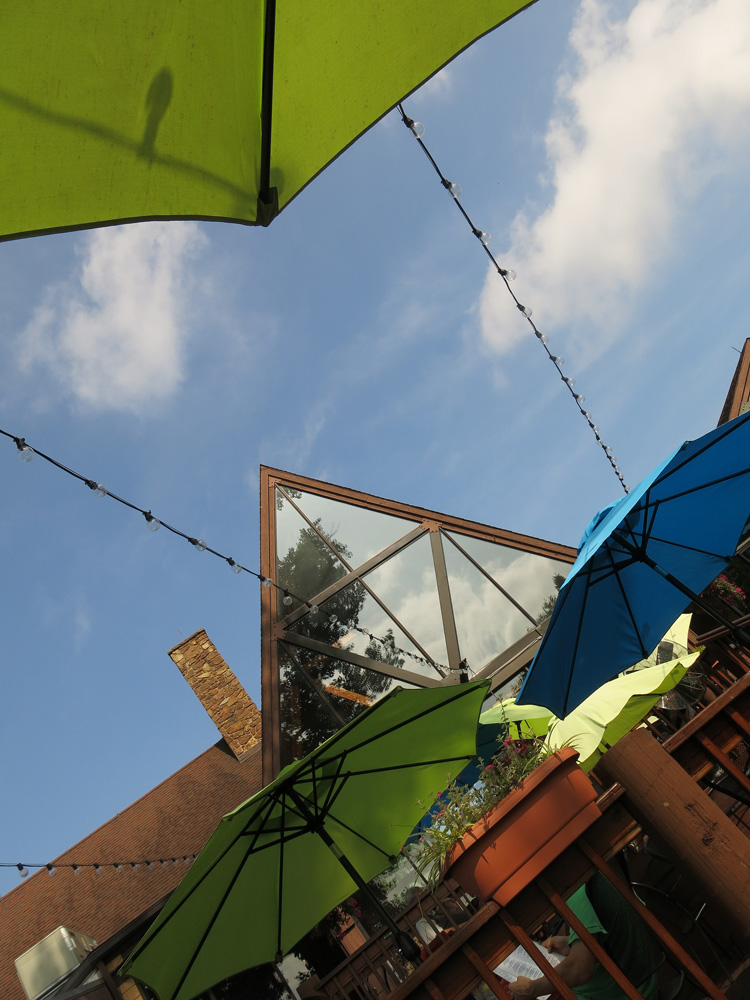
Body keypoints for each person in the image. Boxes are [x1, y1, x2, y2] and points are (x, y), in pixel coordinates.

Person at [508, 872, 660, 1000]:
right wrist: (570, 943)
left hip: (625, 993)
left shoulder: (574, 893)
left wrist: (531, 989)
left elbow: (580, 970)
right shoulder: (592, 872)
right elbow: (610, 933)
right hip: (643, 979)